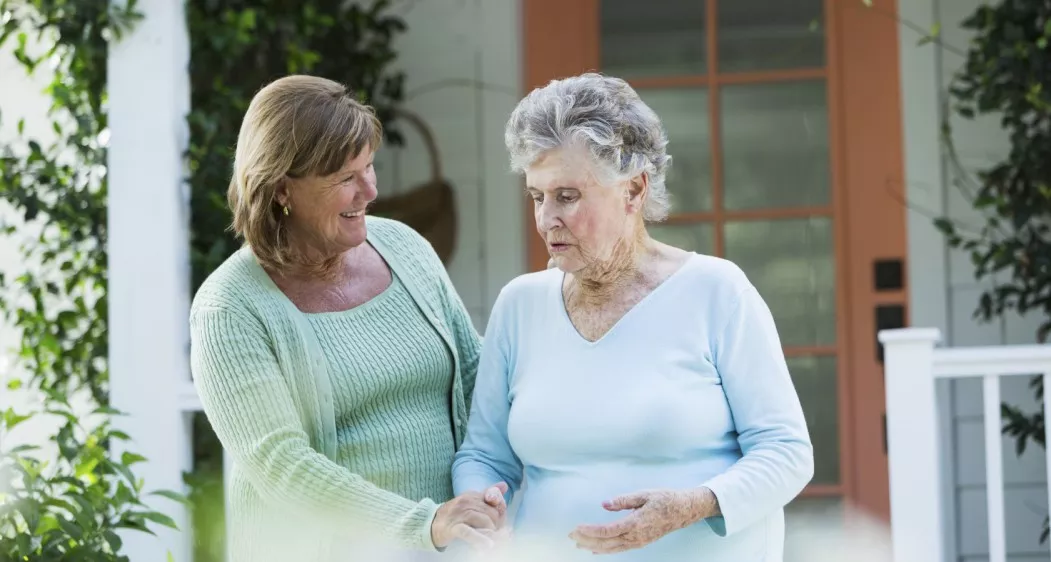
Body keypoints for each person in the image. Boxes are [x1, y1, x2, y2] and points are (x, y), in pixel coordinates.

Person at [451, 72, 815, 561]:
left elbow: (787, 453)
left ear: (634, 190)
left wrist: (692, 505)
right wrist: (482, 502)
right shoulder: (520, 305)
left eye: (568, 195)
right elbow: (484, 456)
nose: (547, 218)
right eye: (538, 197)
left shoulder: (717, 292)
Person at [189, 75, 505, 562]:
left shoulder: (402, 246)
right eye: (344, 179)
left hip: (447, 548)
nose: (370, 190)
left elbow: (478, 376)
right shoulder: (230, 307)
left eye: (370, 166)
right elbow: (283, 467)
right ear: (280, 189)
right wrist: (423, 524)